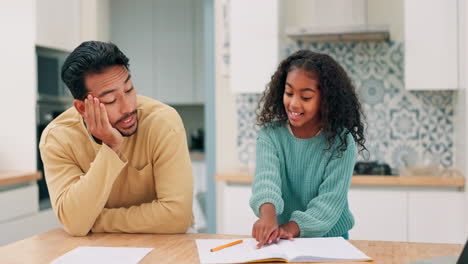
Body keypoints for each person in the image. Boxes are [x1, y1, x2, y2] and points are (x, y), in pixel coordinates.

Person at [39, 41, 194, 236]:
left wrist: (94, 221)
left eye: (129, 90)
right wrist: (111, 147)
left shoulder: (162, 122)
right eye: (110, 100)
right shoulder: (58, 138)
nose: (128, 107)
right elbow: (74, 223)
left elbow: (176, 217)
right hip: (98, 248)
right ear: (82, 108)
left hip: (169, 240)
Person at [250, 50, 366, 248]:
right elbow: (266, 180)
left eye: (306, 97)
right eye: (289, 93)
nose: (294, 103)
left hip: (331, 240)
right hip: (283, 239)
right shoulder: (270, 135)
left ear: (326, 99)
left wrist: (290, 228)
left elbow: (328, 204)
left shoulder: (341, 141)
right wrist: (267, 217)